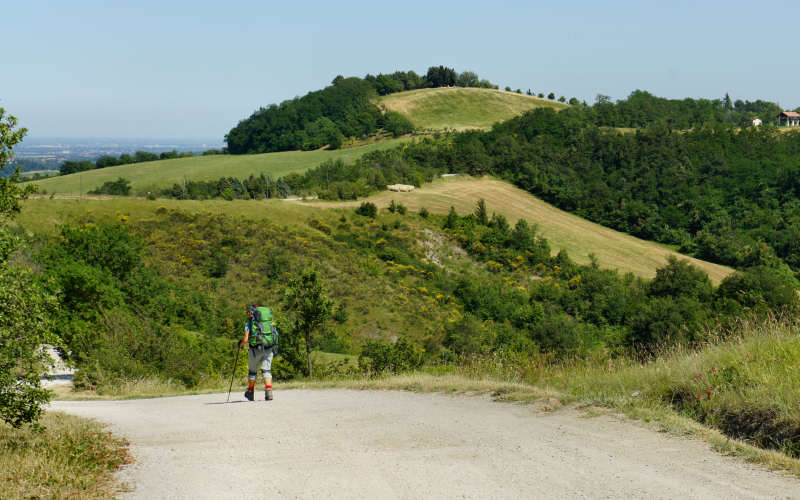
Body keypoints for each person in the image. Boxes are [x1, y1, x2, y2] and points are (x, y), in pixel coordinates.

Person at [240, 304, 277, 401]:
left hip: (255, 349)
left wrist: (240, 344)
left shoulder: (250, 323)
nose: (248, 313)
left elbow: (245, 339)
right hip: (268, 347)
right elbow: (274, 333)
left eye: (249, 311)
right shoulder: (269, 322)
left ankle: (251, 392)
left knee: (252, 371)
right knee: (266, 370)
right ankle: (269, 392)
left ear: (253, 312)